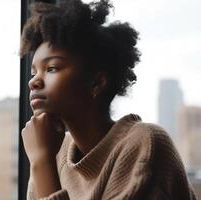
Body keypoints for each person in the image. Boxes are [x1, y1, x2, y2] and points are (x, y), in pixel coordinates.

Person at [19, 0, 197, 199]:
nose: (33, 82)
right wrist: (43, 160)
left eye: (52, 68)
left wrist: (42, 162)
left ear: (97, 83)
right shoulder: (53, 150)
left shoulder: (145, 144)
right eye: (34, 72)